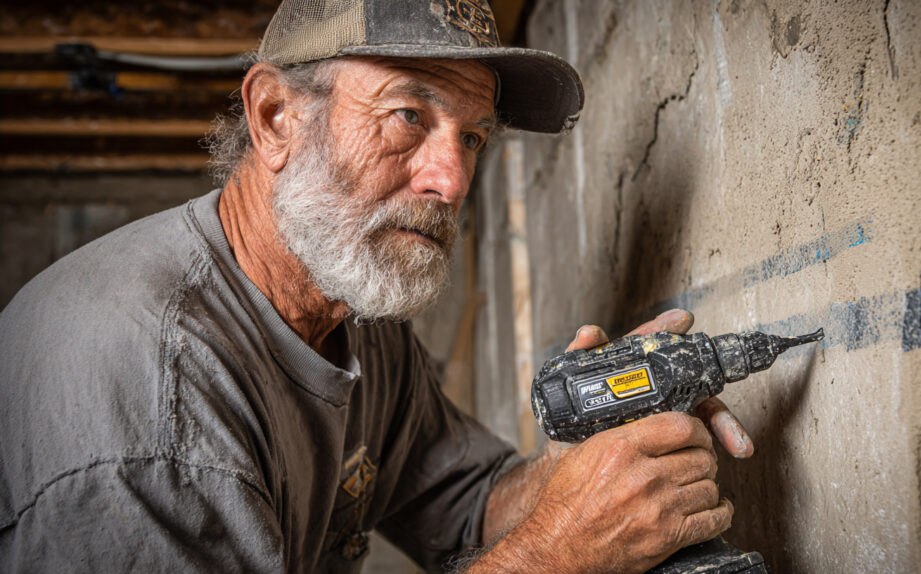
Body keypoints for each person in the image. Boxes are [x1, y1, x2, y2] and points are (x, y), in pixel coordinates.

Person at [0, 1, 754, 572]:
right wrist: (555, 554)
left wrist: (583, 465)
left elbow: (466, 506)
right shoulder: (147, 390)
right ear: (274, 119)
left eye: (472, 137)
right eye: (406, 114)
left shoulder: (354, 312)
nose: (453, 180)